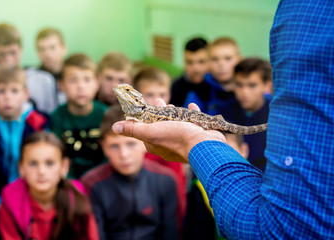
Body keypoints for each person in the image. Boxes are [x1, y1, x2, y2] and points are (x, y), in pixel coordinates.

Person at [111, 1, 334, 238]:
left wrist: (194, 141)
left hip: (207, 125)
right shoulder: (144, 112)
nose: (121, 91)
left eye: (126, 90)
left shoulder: (147, 113)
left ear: (134, 96)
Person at [81, 105, 180, 240]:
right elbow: (96, 234)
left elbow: (171, 233)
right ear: (104, 147)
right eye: (114, 146)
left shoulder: (165, 180)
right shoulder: (91, 183)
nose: (124, 155)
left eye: (131, 144)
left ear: (145, 142)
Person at [0, 66, 49, 239]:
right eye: (1, 91)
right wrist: (1, 206)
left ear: (26, 94)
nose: (8, 97)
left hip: (30, 196)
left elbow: (42, 166)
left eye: (14, 91)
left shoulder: (37, 123)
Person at [0, 132, 99, 239]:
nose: (41, 171)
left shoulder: (78, 200)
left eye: (49, 163)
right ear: (21, 168)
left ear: (64, 166)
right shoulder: (9, 204)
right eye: (33, 163)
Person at [133, 66, 187, 219]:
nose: (158, 100)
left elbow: (178, 177)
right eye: (149, 94)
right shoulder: (133, 124)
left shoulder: (175, 121)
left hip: (172, 176)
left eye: (163, 94)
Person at [0, 23, 57, 114]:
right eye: (2, 54)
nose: (8, 60)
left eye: (13, 53)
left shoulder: (43, 81)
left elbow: (51, 120)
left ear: (21, 50)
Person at [50, 53, 107, 179]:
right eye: (73, 80)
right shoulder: (56, 118)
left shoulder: (106, 115)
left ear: (97, 83)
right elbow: (56, 156)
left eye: (87, 79)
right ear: (61, 85)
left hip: (102, 181)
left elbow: (111, 156)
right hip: (68, 182)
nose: (81, 86)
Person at [184, 133, 248, 240]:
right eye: (217, 153)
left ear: (244, 150)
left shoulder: (264, 186)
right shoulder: (199, 189)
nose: (221, 160)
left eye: (230, 151)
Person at [221, 57, 272, 171]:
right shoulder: (224, 112)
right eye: (239, 85)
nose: (244, 92)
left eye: (252, 85)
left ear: (266, 85)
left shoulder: (274, 115)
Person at [202, 37, 242, 115]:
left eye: (228, 58)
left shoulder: (251, 90)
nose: (221, 64)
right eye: (215, 59)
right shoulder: (199, 93)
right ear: (208, 63)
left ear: (239, 60)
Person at [169, 37, 211, 111]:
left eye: (201, 62)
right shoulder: (176, 88)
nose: (196, 68)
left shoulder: (219, 86)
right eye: (189, 62)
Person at [36, 27, 68, 105]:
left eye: (52, 47)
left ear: (64, 48)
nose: (47, 53)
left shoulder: (73, 74)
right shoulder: (34, 79)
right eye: (42, 49)